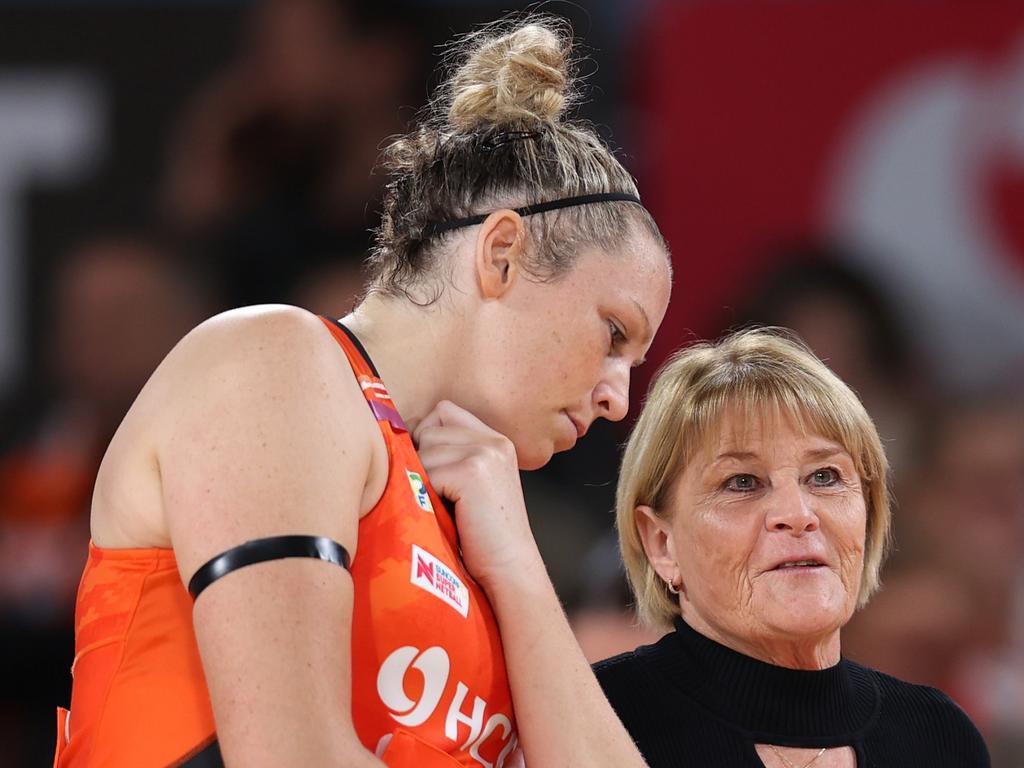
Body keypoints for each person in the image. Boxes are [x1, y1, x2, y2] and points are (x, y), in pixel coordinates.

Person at [53, 16, 672, 768]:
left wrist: (518, 568)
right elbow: (291, 757)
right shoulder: (276, 361)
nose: (616, 397)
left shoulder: (472, 518)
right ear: (502, 254)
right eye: (613, 333)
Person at [594, 328, 990, 767]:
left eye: (824, 476)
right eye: (742, 483)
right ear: (661, 543)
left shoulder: (938, 738)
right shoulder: (599, 719)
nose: (798, 513)